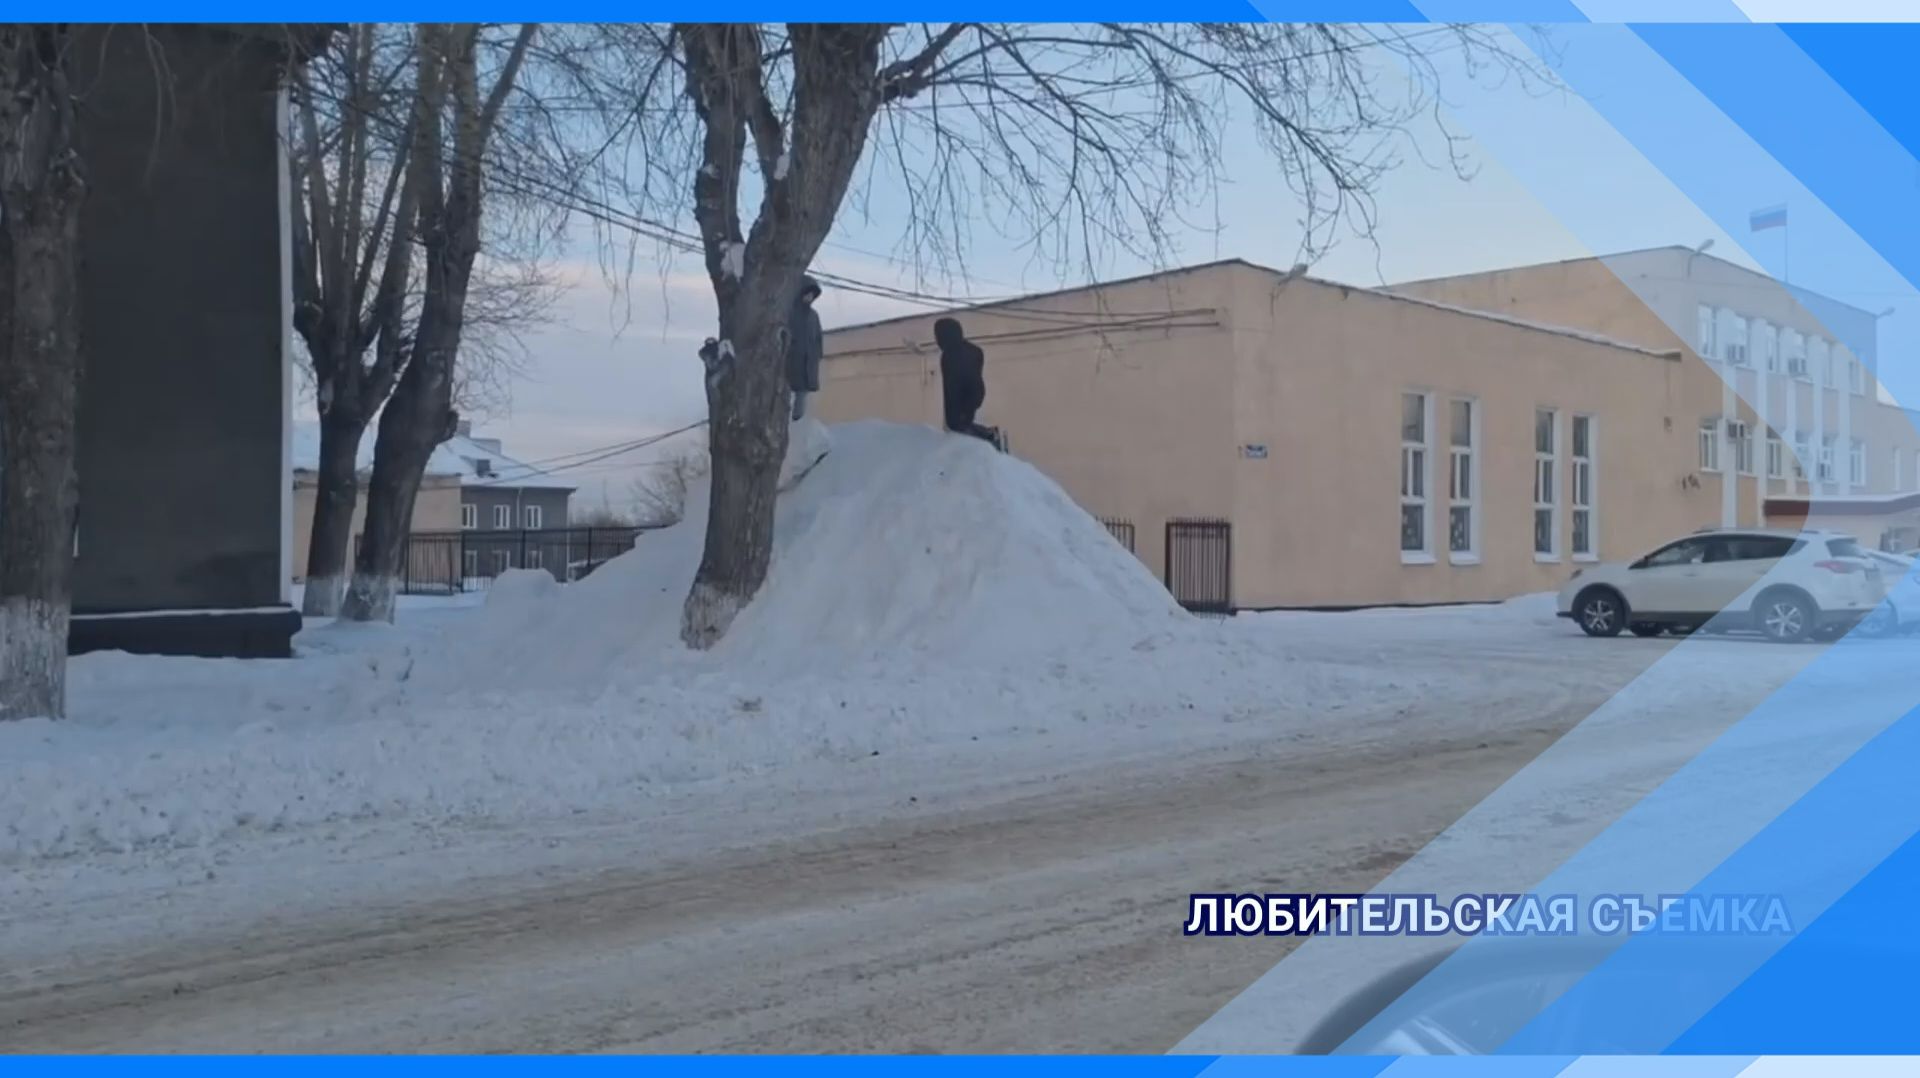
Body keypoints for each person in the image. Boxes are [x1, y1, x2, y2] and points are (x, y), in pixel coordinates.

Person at [933, 316, 1001, 448]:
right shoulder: (974, 351)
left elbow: (951, 389)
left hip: (960, 409)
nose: (937, 341)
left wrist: (954, 418)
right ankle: (988, 436)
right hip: (975, 397)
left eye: (938, 336)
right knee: (966, 427)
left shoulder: (950, 355)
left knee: (961, 430)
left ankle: (984, 437)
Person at [786, 275, 824, 421]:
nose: (809, 297)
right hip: (793, 361)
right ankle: (790, 420)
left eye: (812, 295)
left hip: (809, 362)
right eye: (807, 293)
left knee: (803, 394)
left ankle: (798, 421)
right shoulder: (790, 312)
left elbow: (818, 337)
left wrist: (817, 355)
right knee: (788, 392)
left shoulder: (814, 316)